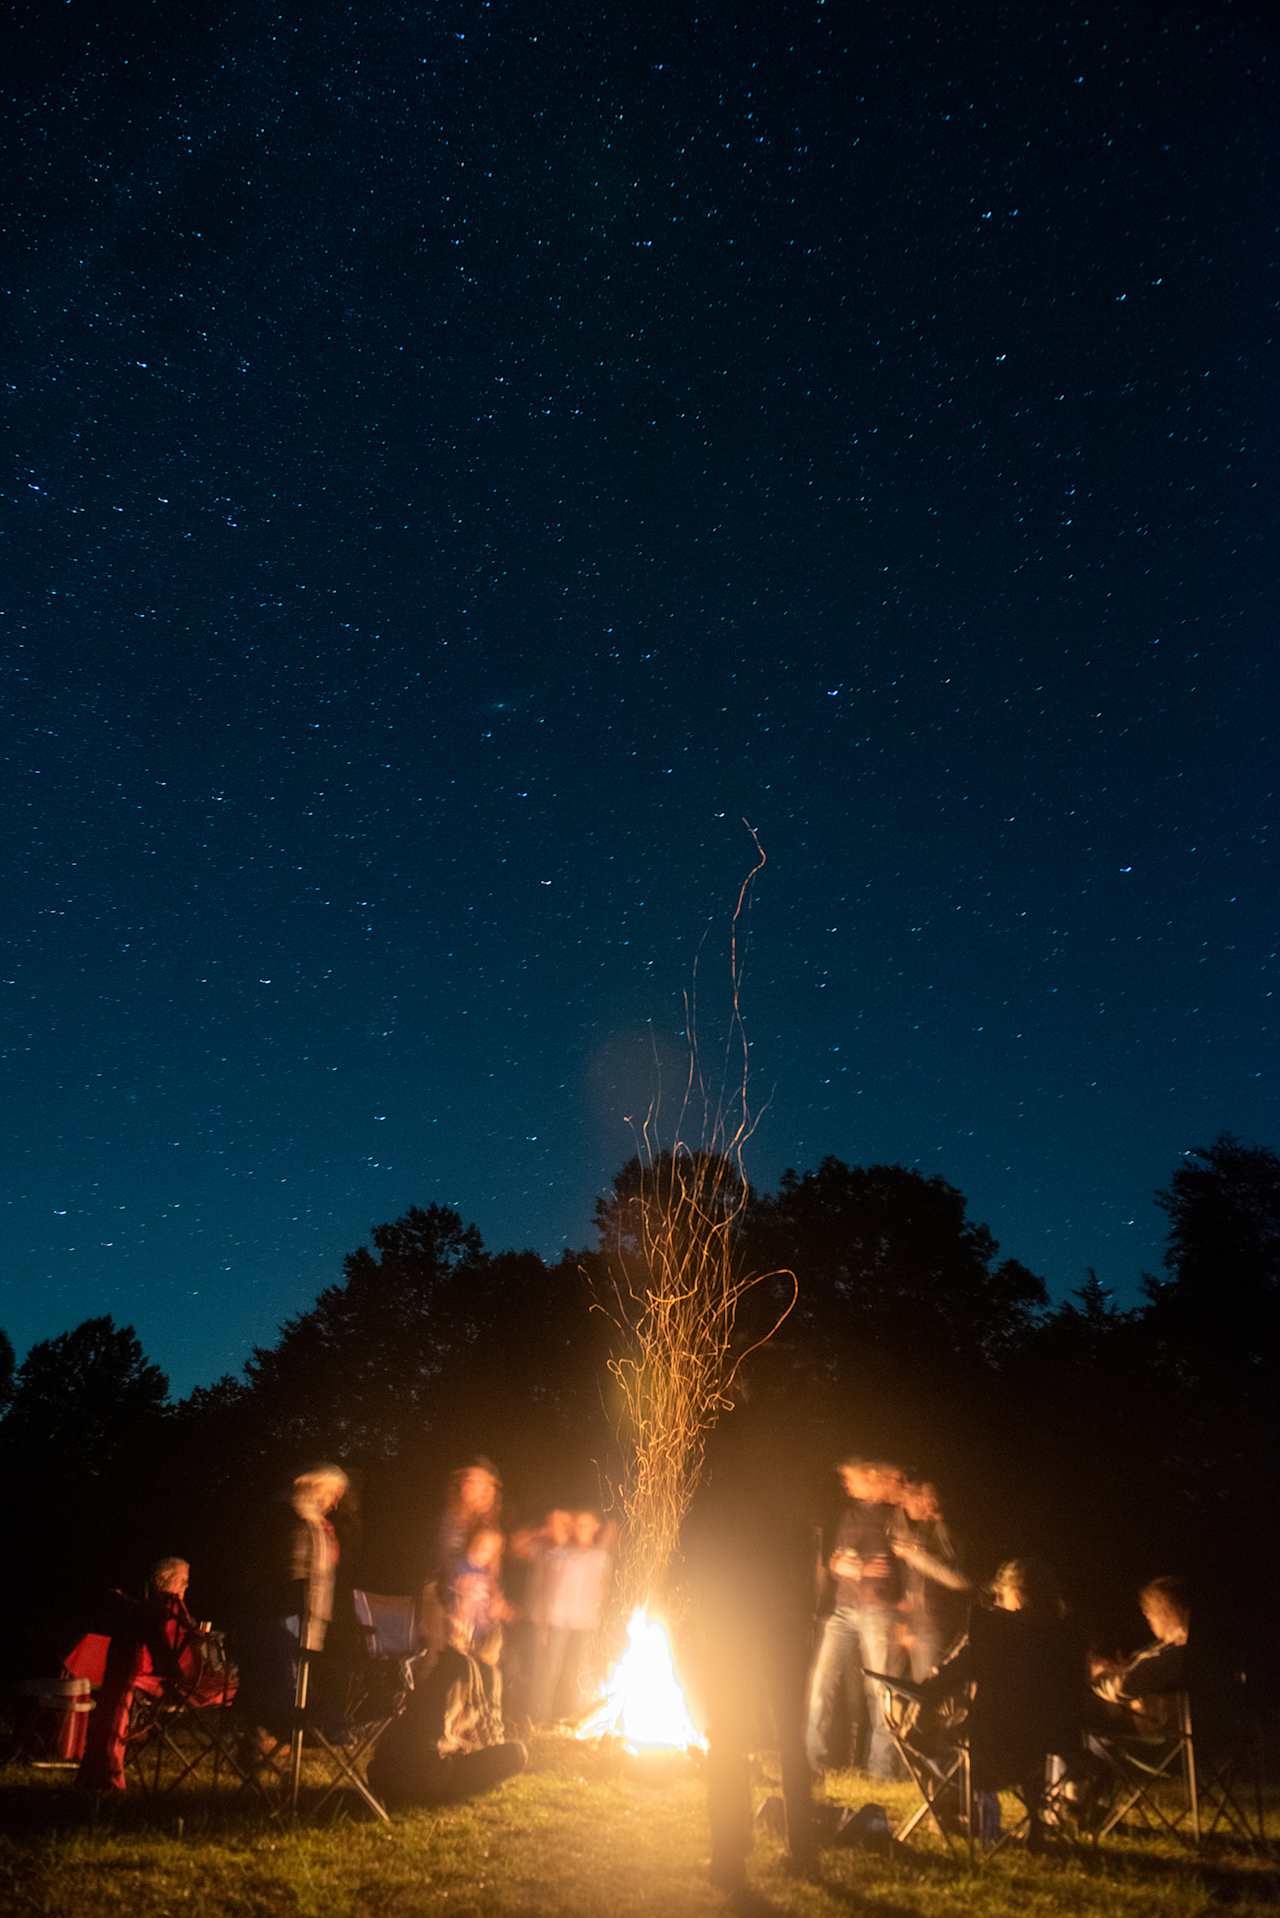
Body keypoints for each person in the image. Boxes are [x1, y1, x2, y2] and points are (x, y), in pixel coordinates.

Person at [904, 1556, 1087, 1847]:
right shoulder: (1065, 1635)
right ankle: (1035, 1825)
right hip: (1045, 1752)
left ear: (1014, 1593)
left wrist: (918, 1700)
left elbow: (945, 1678)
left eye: (1001, 1594)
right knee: (1026, 1729)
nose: (998, 1601)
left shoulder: (993, 1631)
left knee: (917, 1730)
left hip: (986, 1757)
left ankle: (949, 1806)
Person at [78, 1557, 231, 1793]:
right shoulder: (168, 1610)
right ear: (164, 1580)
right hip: (171, 1683)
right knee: (235, 1685)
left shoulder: (139, 1607)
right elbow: (182, 1663)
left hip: (132, 1681)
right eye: (183, 1581)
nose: (186, 1587)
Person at [236, 1463, 349, 1759]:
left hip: (304, 1613)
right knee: (285, 1679)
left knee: (295, 1679)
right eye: (332, 1491)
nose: (335, 1501)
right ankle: (265, 1741)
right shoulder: (295, 1518)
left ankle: (270, 1744)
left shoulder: (313, 1522)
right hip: (288, 1613)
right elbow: (292, 1571)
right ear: (315, 1486)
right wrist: (297, 1610)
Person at [805, 1457, 904, 1779]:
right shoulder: (849, 1515)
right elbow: (837, 1561)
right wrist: (853, 1567)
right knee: (822, 1684)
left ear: (870, 1476)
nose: (846, 1483)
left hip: (878, 1611)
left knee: (880, 1691)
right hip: (842, 1610)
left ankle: (882, 1770)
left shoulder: (893, 1518)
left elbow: (899, 1565)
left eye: (851, 1477)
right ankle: (811, 1763)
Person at [367, 1641, 527, 1806]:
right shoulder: (453, 1680)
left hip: (383, 1778)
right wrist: (462, 1745)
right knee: (516, 1752)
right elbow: (437, 1746)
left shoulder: (419, 1690)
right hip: (425, 1782)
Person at [530, 1509, 612, 1726]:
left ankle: (573, 1719)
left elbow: (603, 1590)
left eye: (587, 1524)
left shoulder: (600, 1557)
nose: (582, 1529)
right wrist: (541, 1620)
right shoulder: (557, 1554)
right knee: (549, 1669)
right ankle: (539, 1719)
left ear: (596, 1528)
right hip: (557, 1620)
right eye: (578, 1524)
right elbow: (543, 1586)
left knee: (578, 1670)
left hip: (585, 1622)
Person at [890, 1476, 970, 1680]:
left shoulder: (945, 1529)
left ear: (923, 1500)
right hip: (920, 1626)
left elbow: (959, 1579)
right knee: (914, 1687)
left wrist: (914, 1555)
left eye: (907, 1500)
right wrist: (907, 1623)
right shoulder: (923, 1530)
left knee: (930, 1692)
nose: (903, 1505)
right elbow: (915, 1581)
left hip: (936, 1627)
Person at [1091, 1575, 1190, 1730]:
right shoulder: (1167, 1643)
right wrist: (1119, 1669)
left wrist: (1098, 1676)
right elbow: (1136, 1664)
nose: (1146, 1614)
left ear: (1165, 1609)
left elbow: (1128, 1684)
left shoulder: (1179, 1652)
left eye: (1150, 1608)